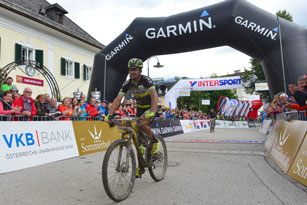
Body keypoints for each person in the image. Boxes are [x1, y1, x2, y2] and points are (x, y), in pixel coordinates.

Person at [104, 58, 159, 178]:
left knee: (141, 124)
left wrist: (153, 112)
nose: (132, 72)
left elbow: (154, 96)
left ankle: (155, 142)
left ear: (140, 70)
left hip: (150, 107)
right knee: (137, 140)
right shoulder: (127, 83)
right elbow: (118, 99)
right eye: (130, 69)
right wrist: (110, 114)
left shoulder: (146, 80)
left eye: (134, 70)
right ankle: (141, 166)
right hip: (139, 108)